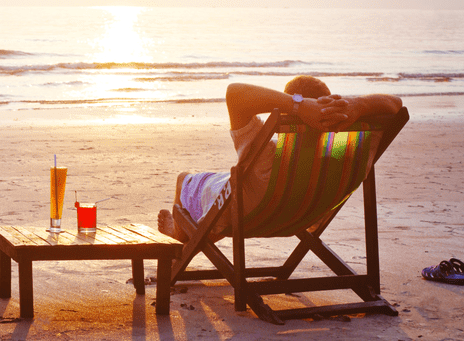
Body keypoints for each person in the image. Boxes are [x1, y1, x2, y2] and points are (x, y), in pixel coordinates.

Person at [157, 76, 402, 243]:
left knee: (185, 180)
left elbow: (235, 93)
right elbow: (395, 103)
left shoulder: (266, 159)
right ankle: (192, 230)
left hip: (249, 212)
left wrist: (297, 105)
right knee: (227, 190)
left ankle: (179, 233)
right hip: (304, 215)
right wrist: (356, 105)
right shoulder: (345, 155)